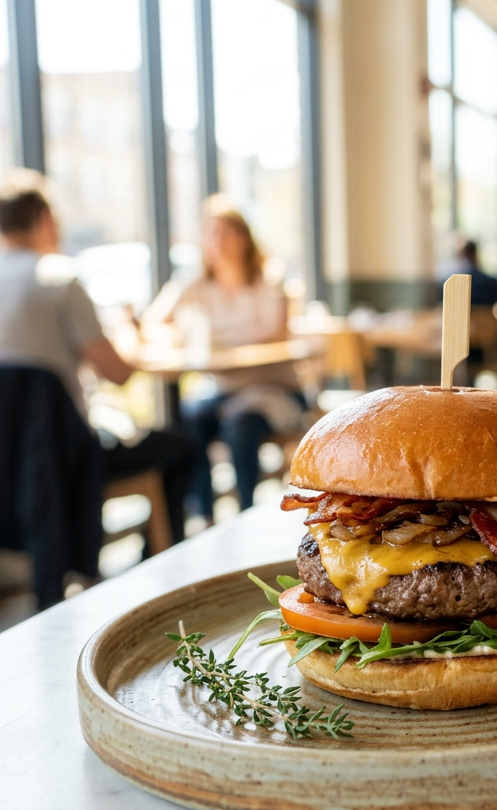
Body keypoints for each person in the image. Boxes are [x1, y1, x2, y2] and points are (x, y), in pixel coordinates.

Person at [0, 170, 193, 555]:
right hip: (67, 456)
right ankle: (160, 563)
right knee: (183, 449)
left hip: (11, 466)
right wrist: (127, 331)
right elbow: (117, 373)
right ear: (45, 220)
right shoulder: (58, 278)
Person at [145, 195, 302, 520]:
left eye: (225, 233)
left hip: (274, 388)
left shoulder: (269, 277)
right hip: (223, 389)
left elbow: (275, 331)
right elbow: (153, 321)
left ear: (243, 238)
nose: (217, 241)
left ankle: (247, 513)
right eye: (210, 233)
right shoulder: (196, 283)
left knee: (239, 422)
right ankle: (204, 515)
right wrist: (176, 336)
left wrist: (214, 339)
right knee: (188, 421)